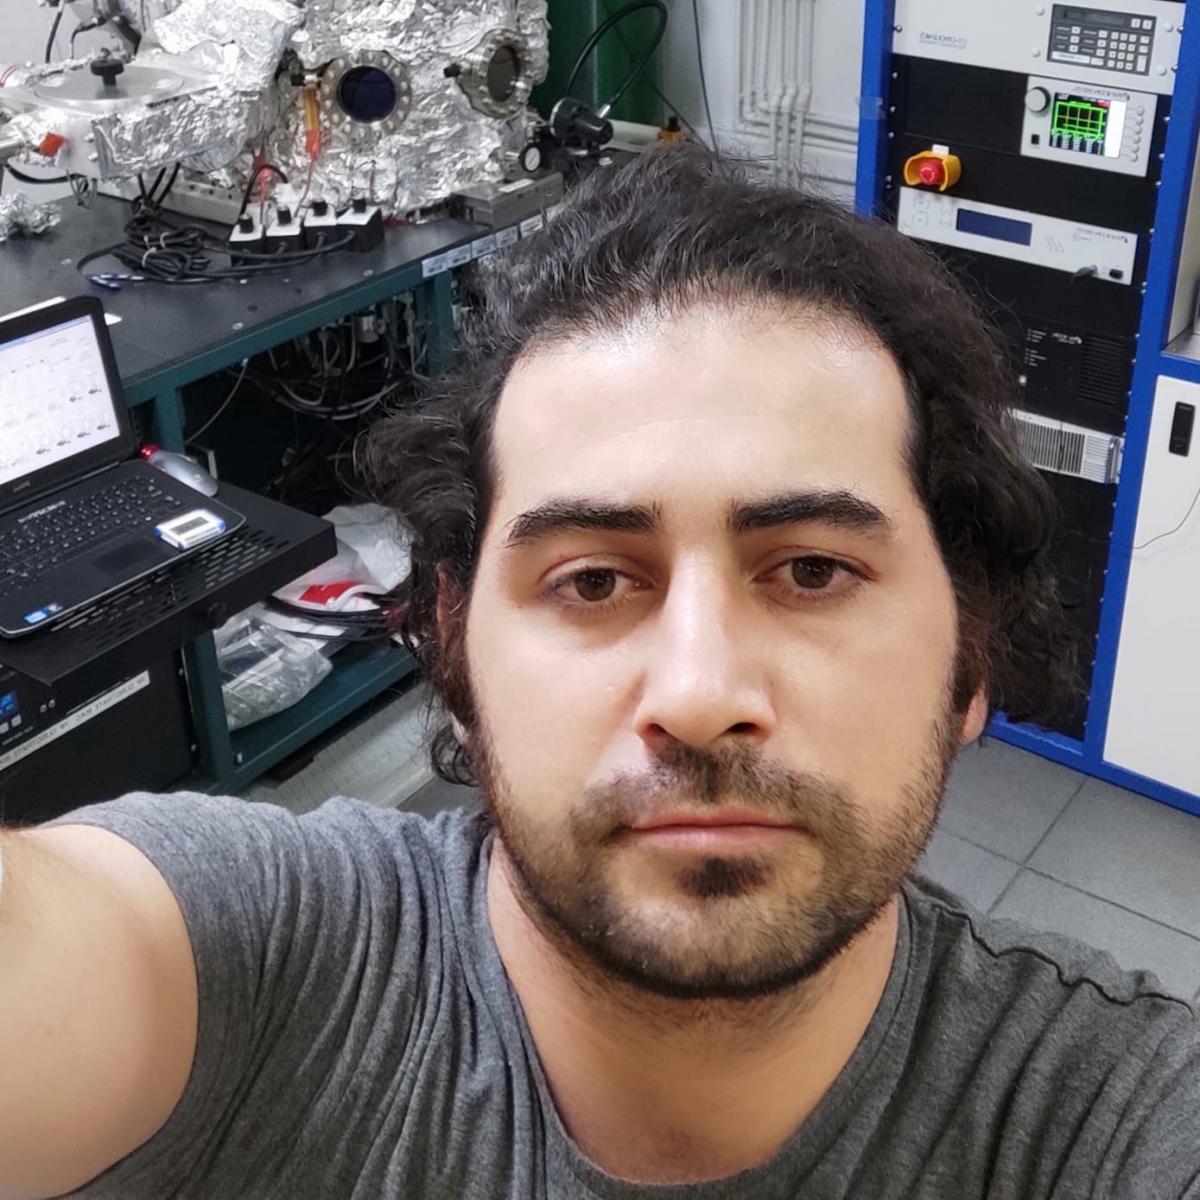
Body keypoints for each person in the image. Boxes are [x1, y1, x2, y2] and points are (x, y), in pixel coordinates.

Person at [2, 146, 1196, 1200]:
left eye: (813, 570)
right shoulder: (261, 963)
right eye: (591, 581)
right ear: (454, 651)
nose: (699, 693)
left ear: (969, 659)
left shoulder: (1115, 1118)